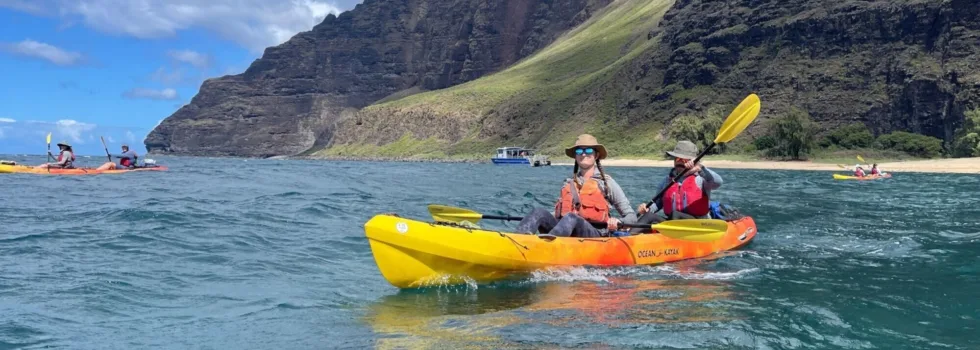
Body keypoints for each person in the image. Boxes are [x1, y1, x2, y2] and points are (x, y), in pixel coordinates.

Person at [516, 134, 637, 238]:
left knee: (572, 217)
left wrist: (619, 221)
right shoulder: (568, 183)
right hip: (565, 233)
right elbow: (560, 213)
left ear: (596, 155)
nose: (583, 154)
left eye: (588, 151)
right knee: (539, 212)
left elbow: (631, 216)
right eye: (579, 151)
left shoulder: (607, 183)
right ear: (575, 156)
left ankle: (549, 246)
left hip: (594, 235)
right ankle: (518, 242)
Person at [631, 140, 723, 233]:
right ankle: (629, 236)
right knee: (649, 216)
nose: (679, 163)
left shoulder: (702, 178)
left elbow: (718, 182)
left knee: (676, 214)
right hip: (673, 224)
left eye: (684, 160)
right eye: (677, 159)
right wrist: (648, 208)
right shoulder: (667, 181)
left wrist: (700, 168)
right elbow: (658, 203)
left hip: (697, 226)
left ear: (692, 161)